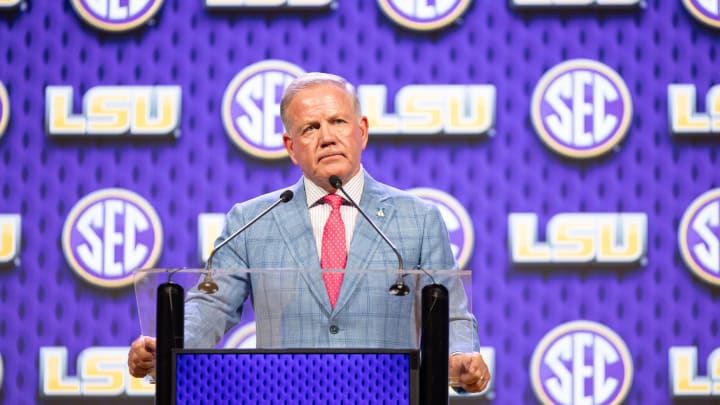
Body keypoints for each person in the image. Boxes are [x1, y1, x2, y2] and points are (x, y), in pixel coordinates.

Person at [128, 72, 491, 393]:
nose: (327, 137)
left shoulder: (419, 218)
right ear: (291, 147)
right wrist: (170, 348)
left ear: (361, 131)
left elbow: (452, 314)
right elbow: (212, 304)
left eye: (338, 122)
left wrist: (459, 358)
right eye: (311, 128)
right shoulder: (251, 219)